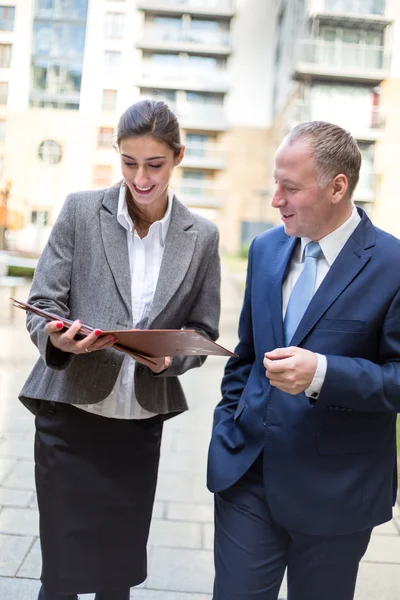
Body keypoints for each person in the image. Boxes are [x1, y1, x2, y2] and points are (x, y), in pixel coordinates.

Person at [19, 99, 220, 600]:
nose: (141, 177)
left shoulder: (201, 238)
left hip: (138, 424)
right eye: (129, 162)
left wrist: (174, 360)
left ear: (178, 156)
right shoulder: (81, 211)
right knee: (60, 575)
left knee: (118, 576)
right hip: (70, 415)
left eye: (154, 164)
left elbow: (202, 327)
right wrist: (56, 338)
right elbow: (42, 302)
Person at [207, 121, 400, 600]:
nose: (276, 200)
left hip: (338, 491)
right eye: (276, 184)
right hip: (247, 474)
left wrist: (324, 374)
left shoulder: (393, 265)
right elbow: (246, 358)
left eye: (289, 188)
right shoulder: (266, 249)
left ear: (338, 187)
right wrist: (228, 423)